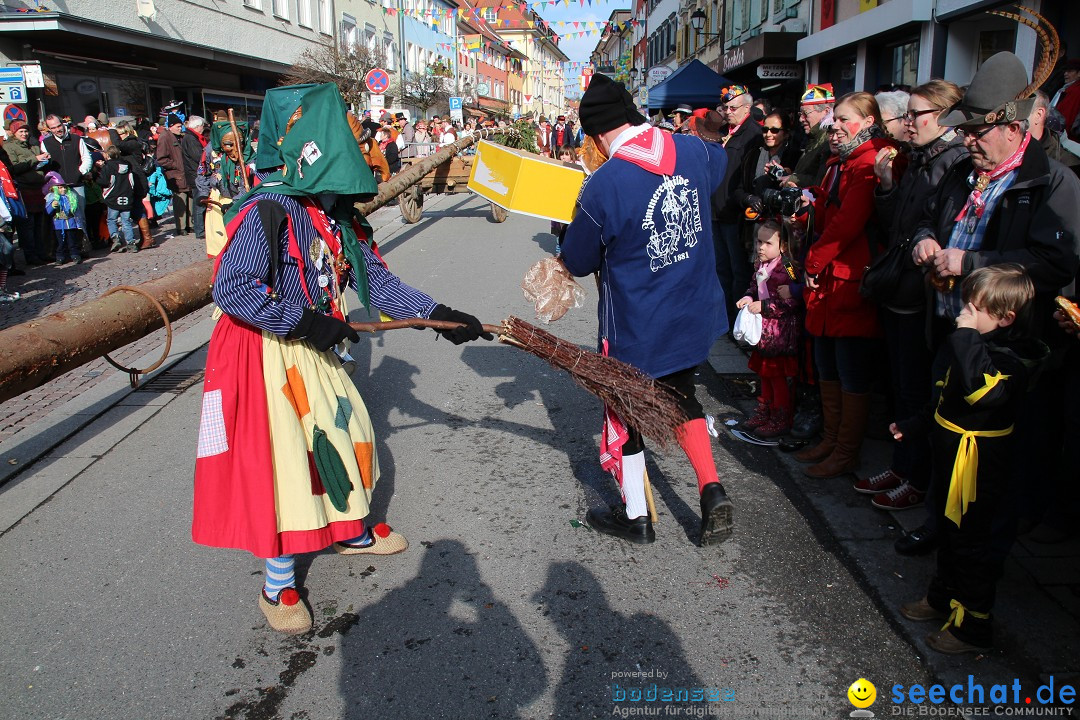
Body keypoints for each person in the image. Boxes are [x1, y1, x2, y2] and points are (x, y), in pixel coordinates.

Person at [192, 83, 491, 634]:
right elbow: (232, 289)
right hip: (268, 352)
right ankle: (277, 582)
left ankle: (348, 529)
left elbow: (374, 278)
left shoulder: (334, 212)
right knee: (286, 464)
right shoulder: (269, 210)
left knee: (347, 432)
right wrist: (303, 320)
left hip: (315, 345)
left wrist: (441, 317)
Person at [898, 51, 1080, 558]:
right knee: (943, 435)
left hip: (1003, 350)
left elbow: (1053, 264)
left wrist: (970, 261)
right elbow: (926, 219)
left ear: (1013, 126)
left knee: (990, 461)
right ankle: (940, 525)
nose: (968, 139)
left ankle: (976, 567)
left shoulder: (1054, 182)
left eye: (978, 130)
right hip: (950, 331)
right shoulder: (963, 173)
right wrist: (923, 242)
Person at [559, 73, 734, 547]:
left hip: (638, 324)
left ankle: (636, 516)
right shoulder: (693, 150)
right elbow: (720, 160)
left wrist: (569, 228)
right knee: (681, 394)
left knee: (626, 408)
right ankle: (711, 488)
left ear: (597, 136)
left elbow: (576, 261)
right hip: (694, 310)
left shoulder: (603, 184)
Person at [894, 265, 1046, 654]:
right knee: (947, 531)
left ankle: (973, 625)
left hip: (979, 469)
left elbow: (981, 391)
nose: (964, 314)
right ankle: (942, 597)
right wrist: (914, 425)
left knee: (972, 545)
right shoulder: (971, 344)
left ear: (1005, 318)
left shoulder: (1011, 358)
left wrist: (964, 335)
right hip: (950, 460)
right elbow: (947, 397)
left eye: (974, 308)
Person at [862, 79, 967, 511]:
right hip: (902, 286)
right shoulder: (920, 158)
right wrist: (887, 185)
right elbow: (901, 225)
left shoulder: (954, 162)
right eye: (906, 114)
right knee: (903, 387)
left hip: (925, 293)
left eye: (915, 114)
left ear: (942, 116)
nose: (907, 123)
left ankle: (916, 477)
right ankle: (904, 467)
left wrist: (926, 241)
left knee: (918, 391)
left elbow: (941, 227)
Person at [793, 92, 901, 479]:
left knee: (849, 368)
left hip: (848, 278)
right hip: (829, 279)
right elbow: (828, 216)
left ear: (869, 122)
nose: (835, 126)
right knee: (828, 364)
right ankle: (831, 439)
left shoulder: (872, 160)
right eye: (835, 119)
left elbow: (850, 222)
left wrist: (814, 259)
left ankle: (845, 451)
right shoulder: (840, 161)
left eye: (844, 119)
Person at [734, 219, 801, 437]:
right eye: (758, 241)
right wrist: (747, 297)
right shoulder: (761, 264)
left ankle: (780, 416)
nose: (760, 247)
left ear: (782, 246)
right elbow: (754, 287)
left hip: (780, 334)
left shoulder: (788, 267)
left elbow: (793, 301)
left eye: (767, 243)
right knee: (764, 373)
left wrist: (764, 306)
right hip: (764, 331)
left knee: (776, 375)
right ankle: (765, 410)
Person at [713, 85, 762, 322]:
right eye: (726, 107)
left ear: (747, 108)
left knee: (738, 270)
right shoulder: (724, 130)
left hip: (734, 212)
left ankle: (736, 321)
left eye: (733, 107)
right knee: (721, 269)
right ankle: (724, 318)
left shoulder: (753, 133)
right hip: (716, 210)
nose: (728, 111)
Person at [3, 120, 50, 264]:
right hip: (24, 188)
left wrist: (44, 159)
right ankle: (31, 256)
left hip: (37, 187)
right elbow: (13, 168)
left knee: (38, 224)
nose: (24, 134)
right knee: (27, 225)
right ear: (14, 133)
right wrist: (34, 159)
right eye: (21, 132)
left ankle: (41, 253)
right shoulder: (9, 147)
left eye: (26, 131)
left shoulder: (33, 145)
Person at [41, 115, 92, 239]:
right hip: (57, 188)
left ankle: (82, 246)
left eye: (59, 125)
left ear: (63, 124)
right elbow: (45, 164)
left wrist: (79, 172)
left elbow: (86, 158)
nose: (58, 129)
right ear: (49, 129)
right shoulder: (45, 143)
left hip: (76, 184)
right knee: (60, 218)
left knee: (79, 217)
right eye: (53, 128)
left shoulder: (76, 139)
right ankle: (66, 248)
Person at [787, 84, 835, 188]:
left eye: (806, 113)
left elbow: (821, 181)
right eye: (800, 114)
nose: (801, 119)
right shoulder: (814, 137)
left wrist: (792, 179)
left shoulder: (829, 141)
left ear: (825, 112)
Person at [99, 145, 145, 252]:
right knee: (126, 221)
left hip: (113, 197)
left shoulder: (108, 166)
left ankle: (116, 238)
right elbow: (131, 182)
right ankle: (130, 242)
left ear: (108, 155)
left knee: (111, 220)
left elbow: (104, 182)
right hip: (127, 196)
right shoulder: (127, 165)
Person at [155, 112, 192, 236]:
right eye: (178, 126)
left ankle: (189, 225)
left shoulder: (179, 136)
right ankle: (181, 227)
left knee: (189, 199)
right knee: (180, 201)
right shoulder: (165, 137)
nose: (180, 128)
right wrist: (175, 164)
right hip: (176, 174)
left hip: (184, 173)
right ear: (170, 126)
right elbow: (161, 159)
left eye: (181, 126)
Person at [43, 171, 83, 264]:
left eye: (64, 187)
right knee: (60, 242)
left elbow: (77, 211)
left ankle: (75, 255)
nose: (63, 189)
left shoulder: (71, 196)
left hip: (71, 222)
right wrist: (52, 206)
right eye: (60, 188)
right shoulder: (51, 197)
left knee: (72, 241)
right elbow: (47, 211)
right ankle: (60, 256)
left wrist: (78, 223)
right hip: (59, 224)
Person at [182, 116, 209, 241]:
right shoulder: (191, 138)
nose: (203, 128)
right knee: (199, 203)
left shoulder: (191, 137)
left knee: (200, 202)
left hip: (196, 174)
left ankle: (200, 228)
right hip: (196, 175)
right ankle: (200, 230)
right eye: (202, 126)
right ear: (197, 126)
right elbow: (198, 156)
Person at [1051, 58, 1080, 142]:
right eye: (1065, 71)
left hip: (1067, 139)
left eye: (1070, 71)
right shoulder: (1067, 89)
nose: (1065, 74)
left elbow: (1067, 117)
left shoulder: (1076, 91)